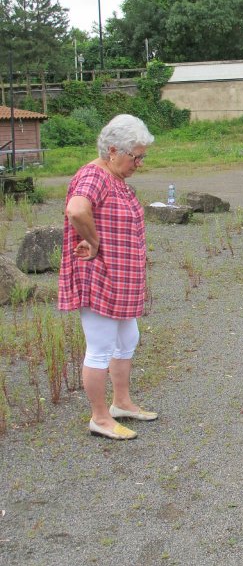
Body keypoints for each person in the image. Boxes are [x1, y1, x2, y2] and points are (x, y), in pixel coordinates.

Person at [58, 114, 157, 440]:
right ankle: (99, 418)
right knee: (100, 348)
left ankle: (121, 403)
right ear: (113, 150)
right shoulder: (94, 176)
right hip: (99, 278)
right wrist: (95, 242)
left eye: (142, 156)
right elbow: (76, 209)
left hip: (120, 279)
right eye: (135, 156)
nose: (139, 163)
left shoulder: (112, 175)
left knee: (128, 339)